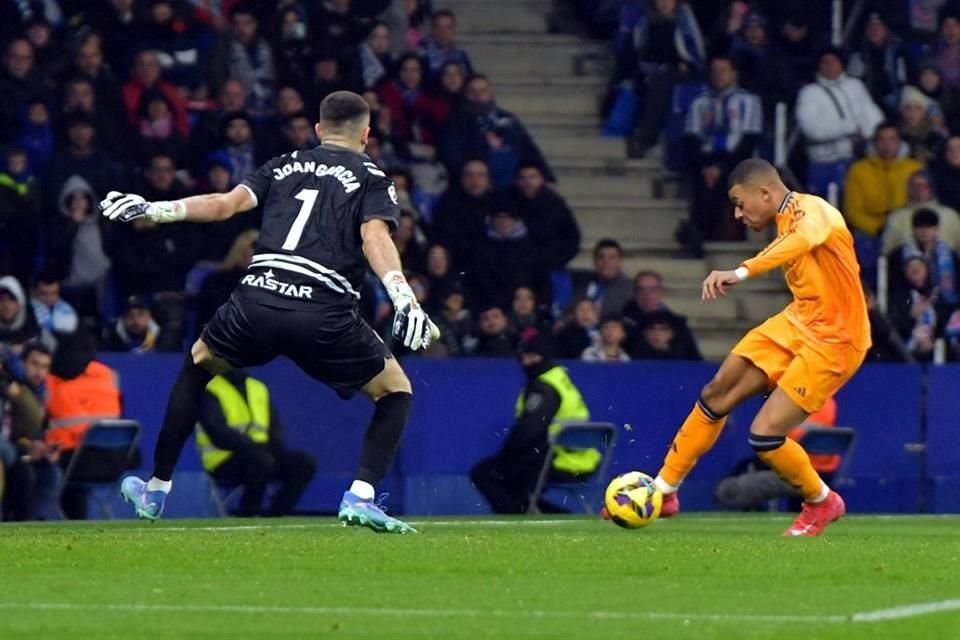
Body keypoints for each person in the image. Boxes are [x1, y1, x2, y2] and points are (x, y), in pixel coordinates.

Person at [101, 91, 437, 534]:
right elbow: (375, 237)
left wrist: (154, 208)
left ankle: (156, 488)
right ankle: (360, 495)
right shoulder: (373, 177)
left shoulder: (284, 164)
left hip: (257, 299)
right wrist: (404, 295)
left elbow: (223, 205)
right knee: (395, 392)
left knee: (197, 366)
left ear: (318, 130)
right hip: (323, 310)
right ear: (367, 135)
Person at [652, 158, 870, 537]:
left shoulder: (815, 210)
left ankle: (822, 502)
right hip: (799, 320)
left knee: (765, 435)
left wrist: (740, 271)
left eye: (740, 202)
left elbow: (802, 239)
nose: (738, 214)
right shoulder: (783, 220)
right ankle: (663, 491)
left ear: (765, 192)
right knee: (717, 392)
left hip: (836, 338)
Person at [470, 333, 596, 514]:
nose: (527, 362)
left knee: (484, 474)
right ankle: (554, 515)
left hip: (557, 461)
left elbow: (528, 430)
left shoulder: (543, 388)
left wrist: (506, 456)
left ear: (543, 356)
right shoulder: (560, 379)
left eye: (532, 356)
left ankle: (516, 516)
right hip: (583, 461)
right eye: (524, 357)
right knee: (515, 482)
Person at [195, 370, 316, 517]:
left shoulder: (258, 387)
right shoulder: (210, 389)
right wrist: (251, 446)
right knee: (260, 461)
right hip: (223, 459)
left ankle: (276, 515)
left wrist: (272, 447)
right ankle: (249, 513)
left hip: (262, 453)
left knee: (303, 463)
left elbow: (275, 429)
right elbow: (217, 432)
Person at [795, 47, 884, 199]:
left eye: (834, 61)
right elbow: (812, 129)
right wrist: (849, 128)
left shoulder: (855, 86)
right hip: (823, 162)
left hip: (857, 159)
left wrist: (868, 134)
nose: (830, 66)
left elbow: (874, 116)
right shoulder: (809, 93)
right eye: (825, 62)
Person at [0, 343, 60, 521]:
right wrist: (26, 449)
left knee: (51, 473)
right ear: (21, 363)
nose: (39, 372)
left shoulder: (38, 394)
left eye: (44, 367)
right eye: (34, 364)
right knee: (20, 467)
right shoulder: (10, 388)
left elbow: (33, 432)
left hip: (17, 449)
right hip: (8, 449)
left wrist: (41, 448)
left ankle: (33, 525)